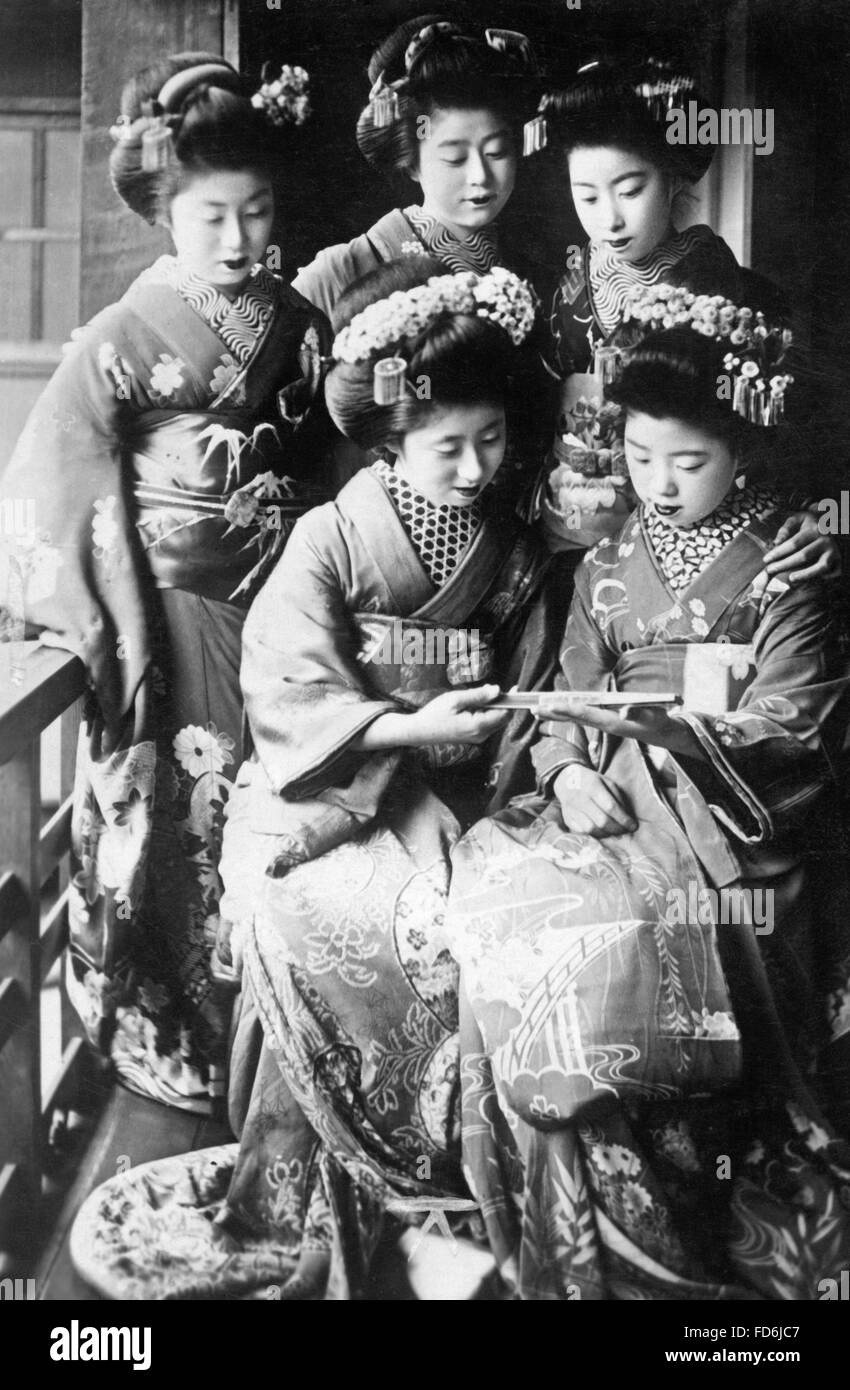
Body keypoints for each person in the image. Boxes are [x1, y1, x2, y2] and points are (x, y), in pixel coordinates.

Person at [68, 258, 561, 1300]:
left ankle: (442, 1208)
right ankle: (305, 1203)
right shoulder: (332, 535)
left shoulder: (513, 555)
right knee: (311, 919)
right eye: (444, 446)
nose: (472, 469)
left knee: (473, 927)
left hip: (470, 796)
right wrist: (403, 732)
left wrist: (487, 773)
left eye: (490, 442)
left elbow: (531, 688)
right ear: (391, 438)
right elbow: (288, 683)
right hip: (321, 792)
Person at [444, 306, 850, 1299]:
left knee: (623, 930)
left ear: (741, 450)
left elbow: (794, 724)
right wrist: (571, 769)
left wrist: (684, 738)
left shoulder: (793, 561)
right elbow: (568, 694)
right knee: (516, 905)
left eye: (689, 461)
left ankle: (672, 1199)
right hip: (609, 788)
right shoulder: (604, 566)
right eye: (639, 456)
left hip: (727, 809)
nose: (660, 484)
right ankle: (572, 1199)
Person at [0, 53, 332, 1112]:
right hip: (174, 616)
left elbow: (328, 464)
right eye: (212, 219)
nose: (240, 241)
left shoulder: (298, 325)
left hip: (287, 606)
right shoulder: (121, 336)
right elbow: (56, 472)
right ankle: (167, 1031)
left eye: (258, 212)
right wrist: (112, 620)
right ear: (166, 216)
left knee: (278, 817)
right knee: (174, 822)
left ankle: (267, 1038)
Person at [526, 55, 837, 586]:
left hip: (702, 543)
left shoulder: (737, 302)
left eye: (629, 190)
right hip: (574, 538)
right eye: (587, 196)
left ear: (671, 179)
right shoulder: (567, 292)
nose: (610, 218)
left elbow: (806, 437)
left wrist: (829, 516)